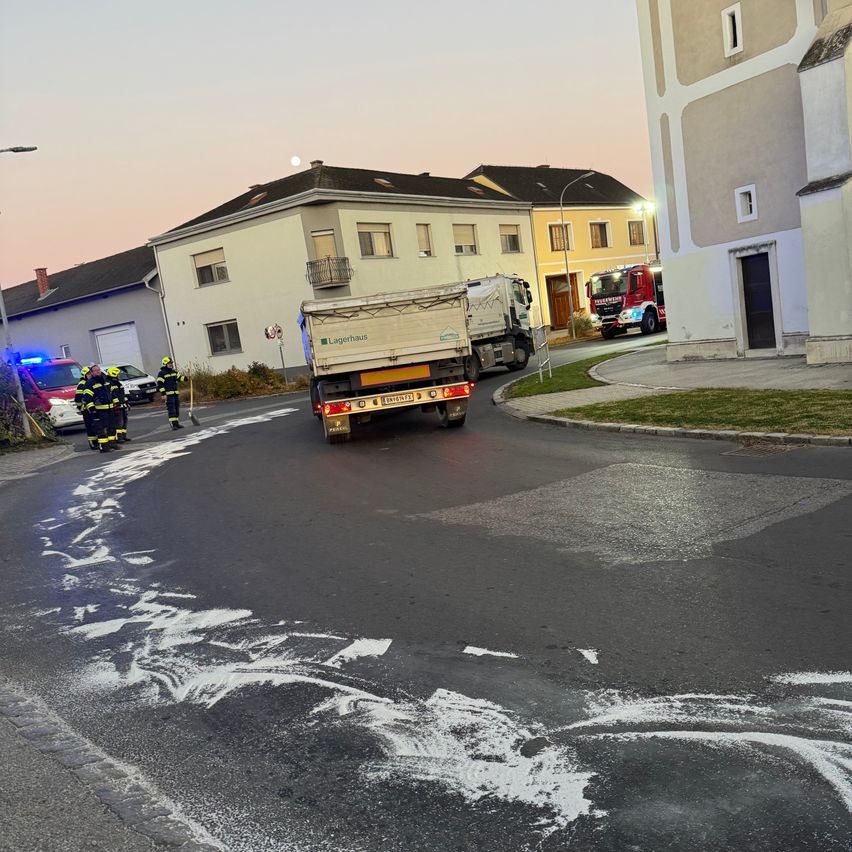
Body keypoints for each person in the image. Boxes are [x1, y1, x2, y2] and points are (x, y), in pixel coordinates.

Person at [82, 364, 121, 453]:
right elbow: (87, 397)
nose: (98, 371)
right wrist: (92, 409)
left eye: (98, 370)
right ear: (91, 373)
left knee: (112, 427)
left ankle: (112, 444)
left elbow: (112, 393)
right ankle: (104, 447)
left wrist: (116, 403)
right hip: (99, 410)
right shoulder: (89, 383)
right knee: (101, 429)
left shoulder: (106, 381)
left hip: (109, 408)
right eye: (95, 370)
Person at [157, 356, 187, 429]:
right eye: (169, 363)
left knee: (176, 409)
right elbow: (160, 384)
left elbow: (180, 378)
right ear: (165, 364)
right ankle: (173, 425)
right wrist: (163, 393)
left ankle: (177, 424)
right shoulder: (161, 373)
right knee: (171, 410)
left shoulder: (174, 372)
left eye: (171, 363)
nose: (171, 364)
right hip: (168, 395)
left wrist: (187, 378)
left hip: (175, 394)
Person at [74, 366, 98, 451]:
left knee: (95, 425)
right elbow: (78, 398)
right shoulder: (82, 384)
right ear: (85, 375)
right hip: (86, 409)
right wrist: (81, 407)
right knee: (90, 426)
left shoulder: (91, 382)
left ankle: (97, 442)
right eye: (88, 374)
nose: (90, 375)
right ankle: (93, 443)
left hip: (93, 407)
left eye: (90, 373)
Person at [107, 367, 131, 442]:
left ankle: (123, 436)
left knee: (124, 421)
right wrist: (116, 404)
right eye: (117, 374)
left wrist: (127, 403)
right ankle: (119, 438)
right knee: (118, 422)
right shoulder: (110, 384)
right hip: (117, 406)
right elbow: (112, 395)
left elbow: (123, 395)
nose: (118, 376)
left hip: (122, 405)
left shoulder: (118, 383)